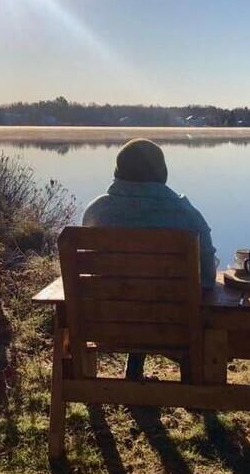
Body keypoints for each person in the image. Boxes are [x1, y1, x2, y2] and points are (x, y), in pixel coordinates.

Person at [82, 138, 217, 380]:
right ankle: (191, 382)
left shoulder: (96, 212)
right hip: (175, 326)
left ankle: (131, 373)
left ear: (117, 173)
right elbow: (207, 276)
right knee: (161, 294)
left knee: (134, 291)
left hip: (108, 323)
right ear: (163, 174)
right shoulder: (186, 215)